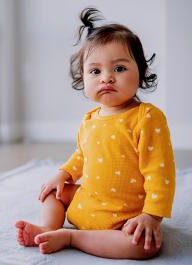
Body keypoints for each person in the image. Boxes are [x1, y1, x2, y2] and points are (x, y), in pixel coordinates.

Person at [15, 7, 175, 260]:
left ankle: (71, 237)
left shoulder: (146, 117)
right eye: (95, 71)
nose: (107, 78)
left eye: (119, 69)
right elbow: (82, 155)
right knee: (51, 192)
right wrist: (63, 173)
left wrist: (151, 216)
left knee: (145, 247)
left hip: (127, 215)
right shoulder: (89, 119)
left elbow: (160, 172)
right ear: (83, 78)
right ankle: (48, 228)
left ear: (141, 73)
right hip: (87, 200)